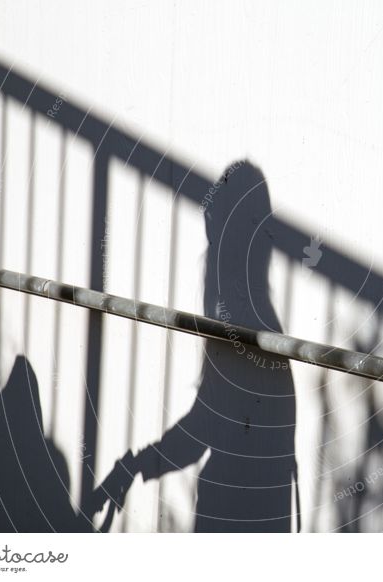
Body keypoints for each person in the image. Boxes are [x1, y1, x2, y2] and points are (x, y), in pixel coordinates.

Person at [90, 161, 298, 532]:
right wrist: (139, 464)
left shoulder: (242, 321)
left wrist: (138, 465)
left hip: (236, 512)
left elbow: (206, 426)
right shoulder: (255, 318)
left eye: (215, 228)